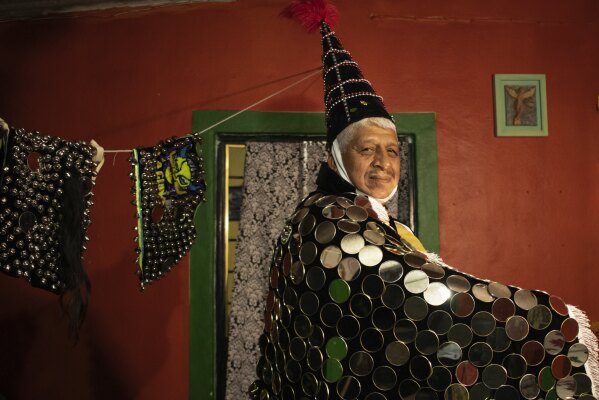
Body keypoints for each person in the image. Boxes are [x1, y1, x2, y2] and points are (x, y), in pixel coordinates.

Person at [249, 2, 598, 399]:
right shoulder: (329, 216)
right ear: (335, 159)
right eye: (367, 150)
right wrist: (537, 316)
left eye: (393, 151)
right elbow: (411, 288)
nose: (384, 162)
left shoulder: (368, 218)